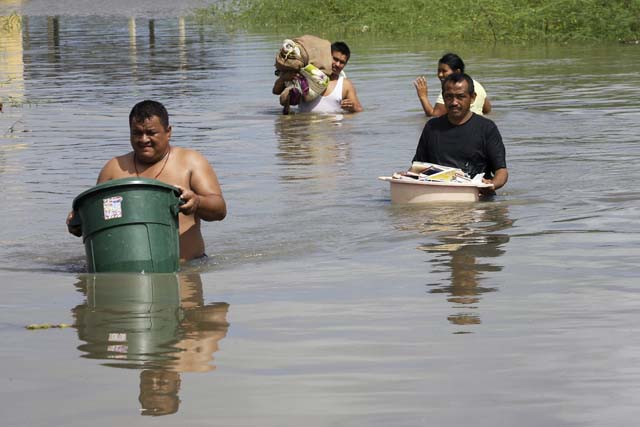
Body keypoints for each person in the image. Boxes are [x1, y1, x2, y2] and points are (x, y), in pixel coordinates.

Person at [67, 100, 227, 261]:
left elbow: (220, 210)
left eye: (151, 133)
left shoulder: (191, 162)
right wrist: (79, 222)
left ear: (168, 132)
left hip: (186, 269)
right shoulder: (113, 169)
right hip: (127, 271)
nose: (144, 139)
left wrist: (197, 201)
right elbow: (97, 219)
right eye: (137, 133)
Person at [412, 73, 507, 194]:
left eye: (460, 96)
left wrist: (492, 184)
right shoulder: (432, 127)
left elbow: (501, 171)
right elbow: (418, 167)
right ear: (443, 97)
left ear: (472, 97)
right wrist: (403, 177)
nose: (454, 102)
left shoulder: (487, 128)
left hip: (476, 196)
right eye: (449, 97)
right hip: (437, 194)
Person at [274, 41, 363, 114]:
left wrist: (352, 107)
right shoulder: (306, 74)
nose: (337, 64)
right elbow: (276, 91)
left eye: (342, 62)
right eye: (335, 59)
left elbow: (359, 110)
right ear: (327, 57)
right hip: (305, 131)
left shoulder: (345, 84)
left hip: (332, 132)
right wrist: (283, 78)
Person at [414, 52, 491, 118]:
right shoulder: (477, 85)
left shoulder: (450, 89)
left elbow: (434, 115)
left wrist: (423, 96)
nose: (440, 75)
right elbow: (487, 110)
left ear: (457, 72)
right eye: (439, 71)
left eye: (444, 71)